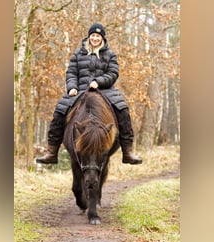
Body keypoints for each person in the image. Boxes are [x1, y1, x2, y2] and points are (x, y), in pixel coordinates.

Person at [37, 23, 142, 165]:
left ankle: (127, 151)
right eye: (93, 35)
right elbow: (72, 72)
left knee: (123, 110)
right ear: (89, 36)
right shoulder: (78, 53)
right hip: (80, 89)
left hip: (105, 90)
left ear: (102, 38)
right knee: (59, 111)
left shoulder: (110, 54)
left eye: (98, 36)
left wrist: (99, 81)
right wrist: (72, 87)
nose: (95, 38)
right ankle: (52, 151)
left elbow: (113, 73)